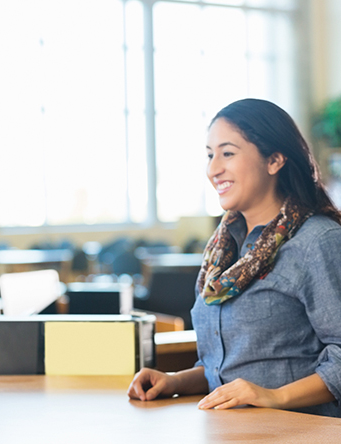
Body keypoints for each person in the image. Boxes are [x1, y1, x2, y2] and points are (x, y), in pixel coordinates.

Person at [128, 98, 341, 417]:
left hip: (297, 432)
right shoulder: (222, 249)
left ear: (274, 160)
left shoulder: (317, 241)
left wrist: (275, 396)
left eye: (227, 153)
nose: (214, 169)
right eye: (210, 155)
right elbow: (229, 367)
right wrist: (174, 381)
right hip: (231, 430)